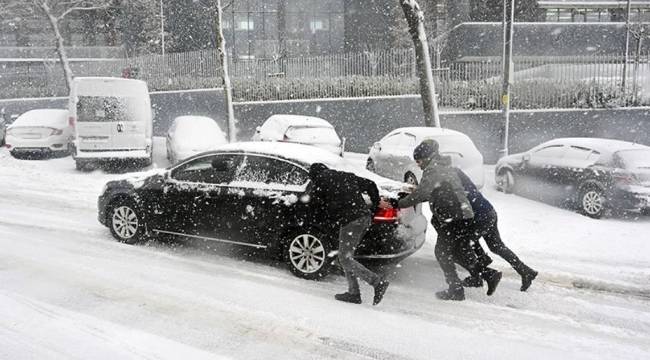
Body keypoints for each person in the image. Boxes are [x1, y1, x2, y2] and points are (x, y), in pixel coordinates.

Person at [380, 140, 501, 301]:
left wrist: (398, 203)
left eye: (420, 161)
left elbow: (422, 194)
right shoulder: (442, 167)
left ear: (428, 157)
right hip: (459, 215)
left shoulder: (433, 170)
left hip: (454, 216)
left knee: (442, 253)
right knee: (456, 251)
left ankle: (457, 289)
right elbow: (432, 191)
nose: (419, 165)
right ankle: (485, 275)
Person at [308, 163, 390, 305]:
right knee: (346, 257)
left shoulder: (319, 182)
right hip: (363, 217)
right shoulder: (345, 176)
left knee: (344, 259)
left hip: (351, 220)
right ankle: (354, 293)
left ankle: (377, 282)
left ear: (314, 176)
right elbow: (370, 184)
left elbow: (317, 207)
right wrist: (376, 203)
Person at [454, 168, 539, 292]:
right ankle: (525, 271)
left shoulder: (448, 178)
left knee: (462, 245)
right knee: (496, 246)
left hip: (479, 217)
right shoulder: (457, 173)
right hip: (488, 212)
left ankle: (477, 276)